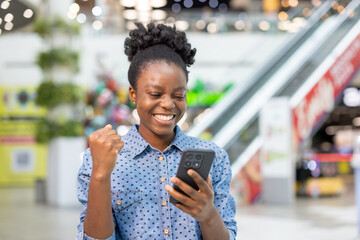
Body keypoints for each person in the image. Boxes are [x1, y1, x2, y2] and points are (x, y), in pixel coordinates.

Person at [76, 22, 237, 240]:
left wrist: (208, 215)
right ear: (133, 95)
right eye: (155, 94)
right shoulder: (99, 159)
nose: (169, 104)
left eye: (179, 95)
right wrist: (101, 174)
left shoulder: (214, 157)